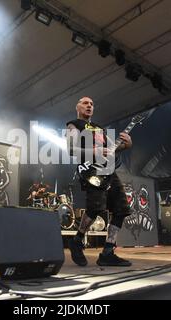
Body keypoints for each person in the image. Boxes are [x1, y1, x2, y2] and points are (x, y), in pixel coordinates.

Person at [66, 96, 133, 267]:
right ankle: (77, 240)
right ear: (77, 107)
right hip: (90, 170)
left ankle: (108, 252)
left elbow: (111, 150)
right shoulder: (74, 125)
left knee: (122, 209)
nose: (89, 105)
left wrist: (125, 145)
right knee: (95, 207)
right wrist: (94, 151)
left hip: (109, 170)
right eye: (85, 103)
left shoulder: (99, 128)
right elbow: (71, 149)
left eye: (92, 104)